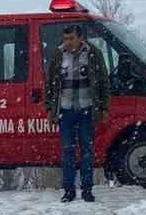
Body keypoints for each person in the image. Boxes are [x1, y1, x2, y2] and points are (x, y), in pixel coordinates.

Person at [46, 23, 110, 202]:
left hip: (86, 109)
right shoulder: (58, 55)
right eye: (65, 39)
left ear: (80, 38)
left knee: (87, 150)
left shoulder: (92, 54)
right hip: (65, 110)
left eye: (71, 38)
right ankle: (68, 190)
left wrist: (104, 106)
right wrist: (50, 108)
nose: (68, 42)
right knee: (67, 150)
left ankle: (87, 190)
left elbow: (103, 81)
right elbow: (50, 82)